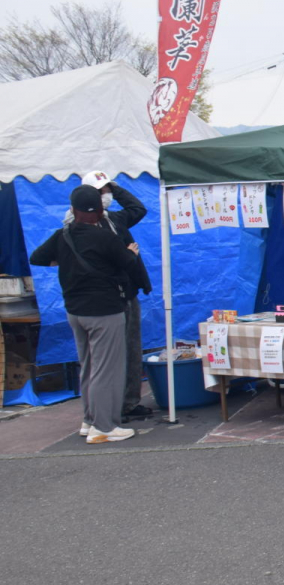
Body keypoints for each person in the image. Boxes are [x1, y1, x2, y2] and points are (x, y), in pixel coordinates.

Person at [29, 185, 140, 443]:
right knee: (107, 370)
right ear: (101, 211)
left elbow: (36, 257)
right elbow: (127, 263)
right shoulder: (106, 237)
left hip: (75, 311)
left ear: (72, 210)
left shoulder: (63, 235)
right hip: (104, 311)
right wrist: (131, 253)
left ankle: (89, 421)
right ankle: (104, 427)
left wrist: (59, 261)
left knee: (89, 367)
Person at [78, 171, 154, 423]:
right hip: (105, 300)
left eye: (106, 191)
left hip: (127, 293)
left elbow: (138, 208)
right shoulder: (78, 228)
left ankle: (128, 402)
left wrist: (115, 187)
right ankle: (104, 413)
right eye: (101, 192)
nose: (106, 196)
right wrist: (126, 255)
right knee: (106, 360)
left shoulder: (115, 219)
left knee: (132, 349)